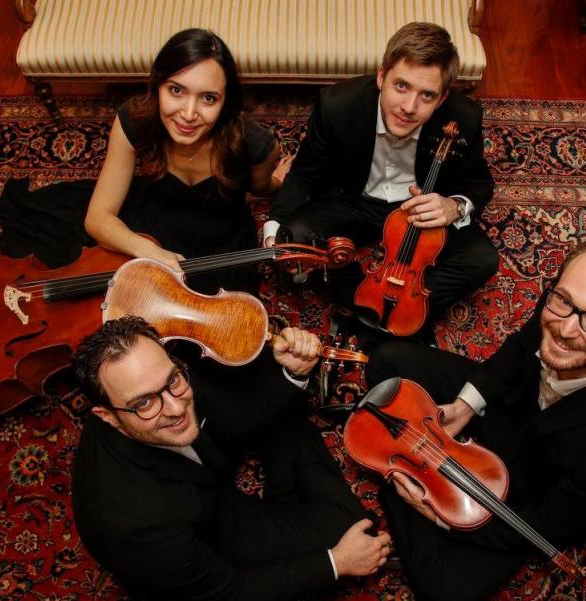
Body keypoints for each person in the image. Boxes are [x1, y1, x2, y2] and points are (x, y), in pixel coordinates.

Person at [365, 236, 586, 600]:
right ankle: (410, 464)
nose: (565, 330)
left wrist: (433, 510)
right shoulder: (563, 304)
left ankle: (400, 481)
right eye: (563, 300)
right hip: (506, 412)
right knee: (386, 363)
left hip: (528, 485)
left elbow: (549, 526)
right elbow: (518, 351)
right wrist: (465, 406)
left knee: (446, 591)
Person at [71, 316, 391, 600]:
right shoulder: (136, 528)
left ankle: (283, 505)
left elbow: (230, 408)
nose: (177, 408)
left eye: (173, 380)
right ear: (107, 416)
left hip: (209, 475)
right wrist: (336, 562)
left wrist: (292, 372)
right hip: (208, 527)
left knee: (273, 391)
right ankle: (286, 512)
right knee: (350, 528)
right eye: (144, 403)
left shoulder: (151, 385)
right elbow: (228, 591)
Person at [265, 22, 498, 324]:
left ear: (442, 99)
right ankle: (363, 300)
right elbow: (303, 174)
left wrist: (454, 206)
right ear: (381, 76)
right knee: (293, 239)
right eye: (401, 86)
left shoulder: (463, 118)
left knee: (481, 259)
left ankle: (394, 311)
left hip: (416, 211)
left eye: (427, 96)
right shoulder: (336, 105)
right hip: (351, 200)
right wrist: (273, 229)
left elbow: (480, 182)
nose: (409, 107)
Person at [82, 28, 290, 294]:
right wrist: (149, 251)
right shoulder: (133, 120)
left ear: (226, 102)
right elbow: (98, 217)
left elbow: (260, 187)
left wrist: (278, 183)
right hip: (152, 229)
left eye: (208, 98)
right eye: (176, 90)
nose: (189, 114)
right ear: (157, 85)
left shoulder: (254, 142)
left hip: (222, 246)